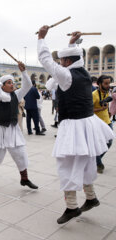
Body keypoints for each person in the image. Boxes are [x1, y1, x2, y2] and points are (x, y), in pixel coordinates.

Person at [37, 27, 114, 224]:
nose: (59, 63)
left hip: (74, 125)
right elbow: (75, 57)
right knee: (87, 161)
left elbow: (45, 60)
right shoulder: (84, 72)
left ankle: (72, 207)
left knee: (67, 164)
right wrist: (71, 43)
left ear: (67, 62)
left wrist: (41, 39)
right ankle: (91, 197)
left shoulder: (67, 75)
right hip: (87, 123)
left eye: (62, 60)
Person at [0, 61, 39, 191]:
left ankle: (24, 179)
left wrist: (23, 71)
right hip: (0, 128)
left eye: (12, 82)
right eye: (9, 83)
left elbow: (27, 85)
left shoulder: (16, 95)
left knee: (20, 154)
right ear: (3, 86)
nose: (12, 84)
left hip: (13, 128)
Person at [92, 75, 113, 174]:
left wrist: (108, 111)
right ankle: (98, 163)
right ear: (99, 84)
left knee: (109, 142)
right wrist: (100, 109)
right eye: (106, 83)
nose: (108, 85)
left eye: (109, 83)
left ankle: (96, 159)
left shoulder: (107, 93)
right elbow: (89, 109)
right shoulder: (94, 95)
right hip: (98, 123)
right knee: (98, 143)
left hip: (107, 121)